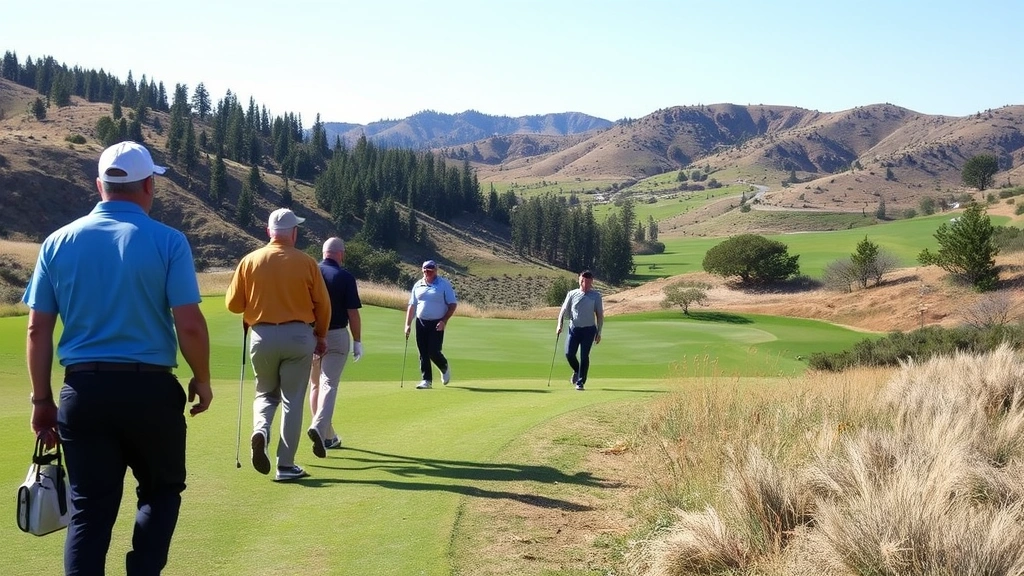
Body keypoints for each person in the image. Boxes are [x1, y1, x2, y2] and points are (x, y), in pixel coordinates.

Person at [23, 141, 213, 575]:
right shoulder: (169, 242)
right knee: (161, 493)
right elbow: (189, 325)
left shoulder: (58, 242)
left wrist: (41, 401)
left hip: (83, 392)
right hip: (151, 390)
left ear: (99, 185)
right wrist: (201, 378)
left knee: (90, 511)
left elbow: (38, 329)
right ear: (149, 185)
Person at [225, 208, 331, 481]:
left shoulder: (250, 261)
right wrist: (321, 337)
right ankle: (285, 465)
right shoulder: (307, 262)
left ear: (269, 232)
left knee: (265, 393)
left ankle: (261, 429)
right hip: (298, 337)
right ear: (293, 233)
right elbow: (323, 305)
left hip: (261, 337)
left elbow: (233, 305)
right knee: (292, 401)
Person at [307, 237, 363, 455]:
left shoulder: (311, 272)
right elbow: (353, 313)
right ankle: (319, 428)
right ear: (341, 253)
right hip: (337, 334)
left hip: (310, 334)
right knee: (329, 383)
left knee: (315, 385)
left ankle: (328, 436)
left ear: (324, 253)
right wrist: (357, 340)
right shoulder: (345, 277)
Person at [404, 260, 457, 389]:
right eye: (425, 269)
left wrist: (444, 321)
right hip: (421, 322)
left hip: (437, 322)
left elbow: (452, 305)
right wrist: (407, 324)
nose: (427, 272)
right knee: (423, 352)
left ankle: (443, 366)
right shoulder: (418, 285)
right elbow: (412, 305)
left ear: (436, 270)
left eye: (430, 269)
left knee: (433, 351)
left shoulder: (444, 285)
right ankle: (426, 380)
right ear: (422, 270)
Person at [556, 270, 604, 391]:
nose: (585, 284)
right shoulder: (572, 294)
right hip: (574, 329)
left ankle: (580, 382)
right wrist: (559, 325)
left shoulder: (596, 296)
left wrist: (599, 332)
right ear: (579, 280)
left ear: (591, 282)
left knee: (584, 356)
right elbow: (563, 310)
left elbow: (599, 315)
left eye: (588, 282)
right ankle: (578, 370)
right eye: (583, 281)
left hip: (589, 330)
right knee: (569, 353)